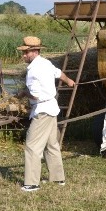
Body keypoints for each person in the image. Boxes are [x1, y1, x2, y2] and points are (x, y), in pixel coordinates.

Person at [17, 36, 75, 192]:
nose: (23, 56)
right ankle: (58, 179)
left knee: (32, 146)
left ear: (34, 52)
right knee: (51, 145)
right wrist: (69, 81)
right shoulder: (46, 63)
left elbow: (35, 95)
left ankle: (31, 183)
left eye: (25, 53)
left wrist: (24, 93)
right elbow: (59, 73)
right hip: (51, 109)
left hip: (42, 111)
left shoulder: (33, 70)